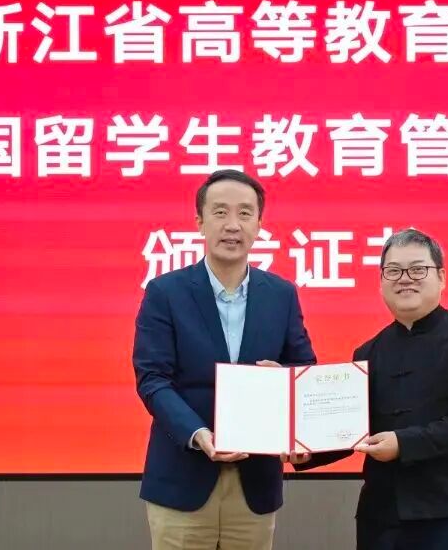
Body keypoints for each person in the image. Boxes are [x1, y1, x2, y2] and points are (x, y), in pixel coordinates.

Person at [132, 169, 315, 550]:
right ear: (199, 221)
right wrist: (198, 435)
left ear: (260, 225)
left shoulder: (281, 294)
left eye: (245, 213)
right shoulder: (165, 292)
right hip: (182, 478)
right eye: (220, 212)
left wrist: (284, 381)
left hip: (255, 484)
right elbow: (153, 379)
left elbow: (304, 372)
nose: (233, 225)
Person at [303, 228, 448, 550]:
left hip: (446, 515)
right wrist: (304, 449)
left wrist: (402, 444)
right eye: (393, 271)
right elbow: (351, 429)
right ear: (381, 281)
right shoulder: (367, 352)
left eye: (417, 269)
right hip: (380, 518)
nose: (405, 279)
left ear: (441, 277)